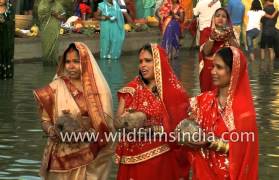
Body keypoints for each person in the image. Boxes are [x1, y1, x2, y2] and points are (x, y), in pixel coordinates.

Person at [33, 42, 115, 179]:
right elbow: (45, 120)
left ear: (85, 62)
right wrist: (51, 130)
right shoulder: (55, 88)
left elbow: (106, 127)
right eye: (67, 62)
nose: (71, 66)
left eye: (76, 61)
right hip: (60, 158)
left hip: (90, 156)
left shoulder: (99, 91)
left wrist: (89, 134)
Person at [115, 43, 190, 180]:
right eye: (140, 61)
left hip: (162, 157)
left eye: (148, 61)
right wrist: (126, 121)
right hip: (132, 159)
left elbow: (181, 128)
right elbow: (117, 123)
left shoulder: (174, 92)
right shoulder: (131, 90)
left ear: (159, 62)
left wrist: (151, 128)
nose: (143, 65)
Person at [187, 47, 259, 180]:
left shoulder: (244, 112)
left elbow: (243, 151)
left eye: (219, 67)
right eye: (213, 66)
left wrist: (209, 142)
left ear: (234, 72)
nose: (213, 71)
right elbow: (177, 115)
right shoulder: (203, 100)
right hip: (203, 174)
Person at [200, 8, 238, 92]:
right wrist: (211, 38)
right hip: (209, 70)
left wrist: (230, 37)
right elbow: (205, 52)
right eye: (218, 16)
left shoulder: (231, 32)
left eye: (224, 16)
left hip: (225, 71)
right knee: (208, 97)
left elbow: (237, 52)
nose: (220, 18)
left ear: (227, 20)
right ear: (213, 18)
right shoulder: (206, 31)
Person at [38, 0, 66, 65]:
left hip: (55, 30)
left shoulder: (58, 5)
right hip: (46, 31)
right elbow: (40, 16)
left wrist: (57, 16)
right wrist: (48, 12)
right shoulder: (42, 4)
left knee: (55, 48)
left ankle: (54, 66)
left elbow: (63, 17)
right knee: (46, 49)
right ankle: (46, 66)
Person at [0, 0, 14, 80]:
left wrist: (4, 22)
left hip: (6, 37)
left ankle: (6, 74)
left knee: (5, 51)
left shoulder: (9, 9)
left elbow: (12, 23)